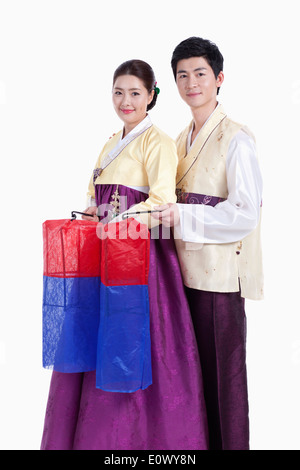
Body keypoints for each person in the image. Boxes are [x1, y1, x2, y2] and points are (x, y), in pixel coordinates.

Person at [40, 59, 208, 450]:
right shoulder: (109, 142)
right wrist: (88, 215)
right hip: (104, 256)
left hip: (141, 260)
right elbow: (93, 195)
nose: (126, 101)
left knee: (136, 339)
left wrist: (116, 222)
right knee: (98, 338)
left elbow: (161, 200)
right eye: (119, 92)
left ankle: (145, 441)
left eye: (135, 93)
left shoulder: (158, 142)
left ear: (151, 96)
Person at [152, 37, 264, 450]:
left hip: (217, 283)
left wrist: (184, 216)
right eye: (182, 75)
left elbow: (246, 213)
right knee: (187, 386)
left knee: (223, 388)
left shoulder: (236, 138)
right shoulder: (179, 140)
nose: (191, 82)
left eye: (200, 73)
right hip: (178, 278)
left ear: (218, 79)